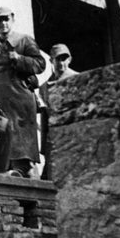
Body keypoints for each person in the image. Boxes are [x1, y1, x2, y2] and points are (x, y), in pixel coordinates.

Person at [0, 7, 46, 177]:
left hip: (20, 100)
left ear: (12, 20)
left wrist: (20, 59)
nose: (3, 23)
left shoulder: (24, 40)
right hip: (1, 102)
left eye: (6, 19)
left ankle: (35, 192)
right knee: (4, 149)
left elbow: (40, 64)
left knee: (22, 153)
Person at [38, 44, 79, 180]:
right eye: (58, 59)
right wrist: (44, 146)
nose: (61, 63)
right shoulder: (44, 87)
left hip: (72, 132)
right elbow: (44, 116)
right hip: (52, 136)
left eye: (64, 59)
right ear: (51, 61)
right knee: (50, 176)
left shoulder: (77, 78)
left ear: (69, 60)